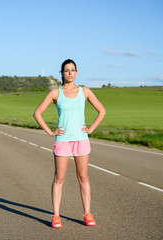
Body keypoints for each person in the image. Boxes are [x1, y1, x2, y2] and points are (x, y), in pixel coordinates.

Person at [33, 59, 106, 228]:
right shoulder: (55, 93)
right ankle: (56, 216)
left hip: (81, 140)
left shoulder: (85, 91)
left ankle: (87, 214)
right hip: (63, 141)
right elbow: (37, 113)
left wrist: (91, 129)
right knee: (59, 178)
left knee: (83, 178)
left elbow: (102, 110)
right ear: (62, 73)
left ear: (77, 72)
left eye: (73, 70)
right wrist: (51, 132)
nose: (70, 73)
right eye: (67, 70)